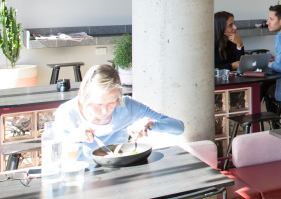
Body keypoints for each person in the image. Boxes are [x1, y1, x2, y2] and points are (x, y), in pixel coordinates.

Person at [53, 64, 184, 163]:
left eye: (112, 102)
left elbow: (179, 127)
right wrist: (73, 139)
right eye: (98, 104)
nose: (105, 111)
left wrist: (151, 124)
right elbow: (54, 158)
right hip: (83, 178)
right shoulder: (67, 113)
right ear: (85, 96)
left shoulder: (127, 107)